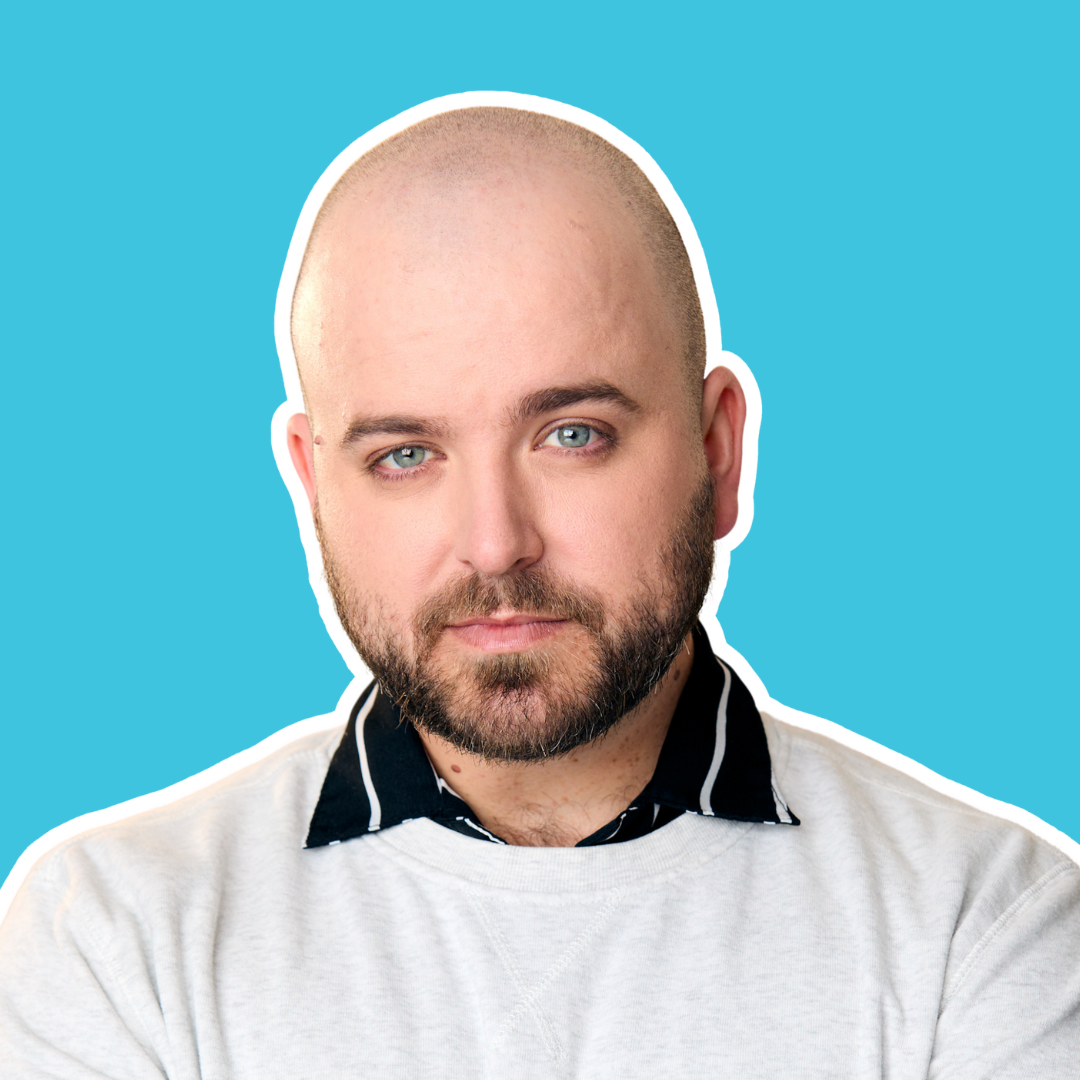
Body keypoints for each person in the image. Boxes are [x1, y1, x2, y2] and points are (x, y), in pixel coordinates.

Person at [1, 92, 1077, 1078]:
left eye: (573, 434)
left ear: (719, 453)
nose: (495, 544)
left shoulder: (985, 924)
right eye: (405, 456)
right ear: (313, 487)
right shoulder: (115, 937)